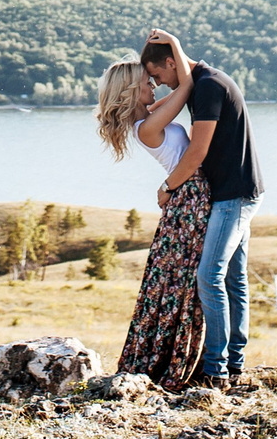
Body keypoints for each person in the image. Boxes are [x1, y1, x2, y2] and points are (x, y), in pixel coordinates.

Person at [141, 27, 262, 387]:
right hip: (238, 190)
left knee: (209, 276)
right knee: (233, 280)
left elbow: (197, 152)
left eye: (158, 75)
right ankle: (234, 366)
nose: (159, 84)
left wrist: (168, 187)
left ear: (168, 62)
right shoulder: (202, 83)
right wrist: (176, 52)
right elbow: (156, 105)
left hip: (231, 195)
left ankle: (216, 371)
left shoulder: (209, 87)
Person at [94, 55, 206, 388]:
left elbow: (179, 91)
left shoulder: (150, 118)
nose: (153, 84)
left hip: (187, 197)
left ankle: (170, 355)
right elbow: (187, 85)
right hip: (190, 199)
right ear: (131, 90)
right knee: (184, 282)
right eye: (146, 81)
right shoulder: (148, 127)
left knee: (176, 281)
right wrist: (175, 45)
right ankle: (174, 360)